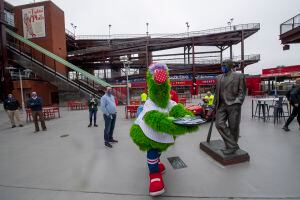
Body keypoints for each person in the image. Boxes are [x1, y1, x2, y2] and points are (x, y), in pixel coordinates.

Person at [214, 60, 246, 155]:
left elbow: (242, 91)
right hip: (221, 105)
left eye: (224, 65)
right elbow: (217, 93)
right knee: (219, 124)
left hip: (233, 104)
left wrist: (237, 102)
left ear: (230, 66)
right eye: (221, 65)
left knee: (233, 127)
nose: (222, 66)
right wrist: (214, 104)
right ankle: (233, 145)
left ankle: (230, 146)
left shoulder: (238, 76)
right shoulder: (219, 77)